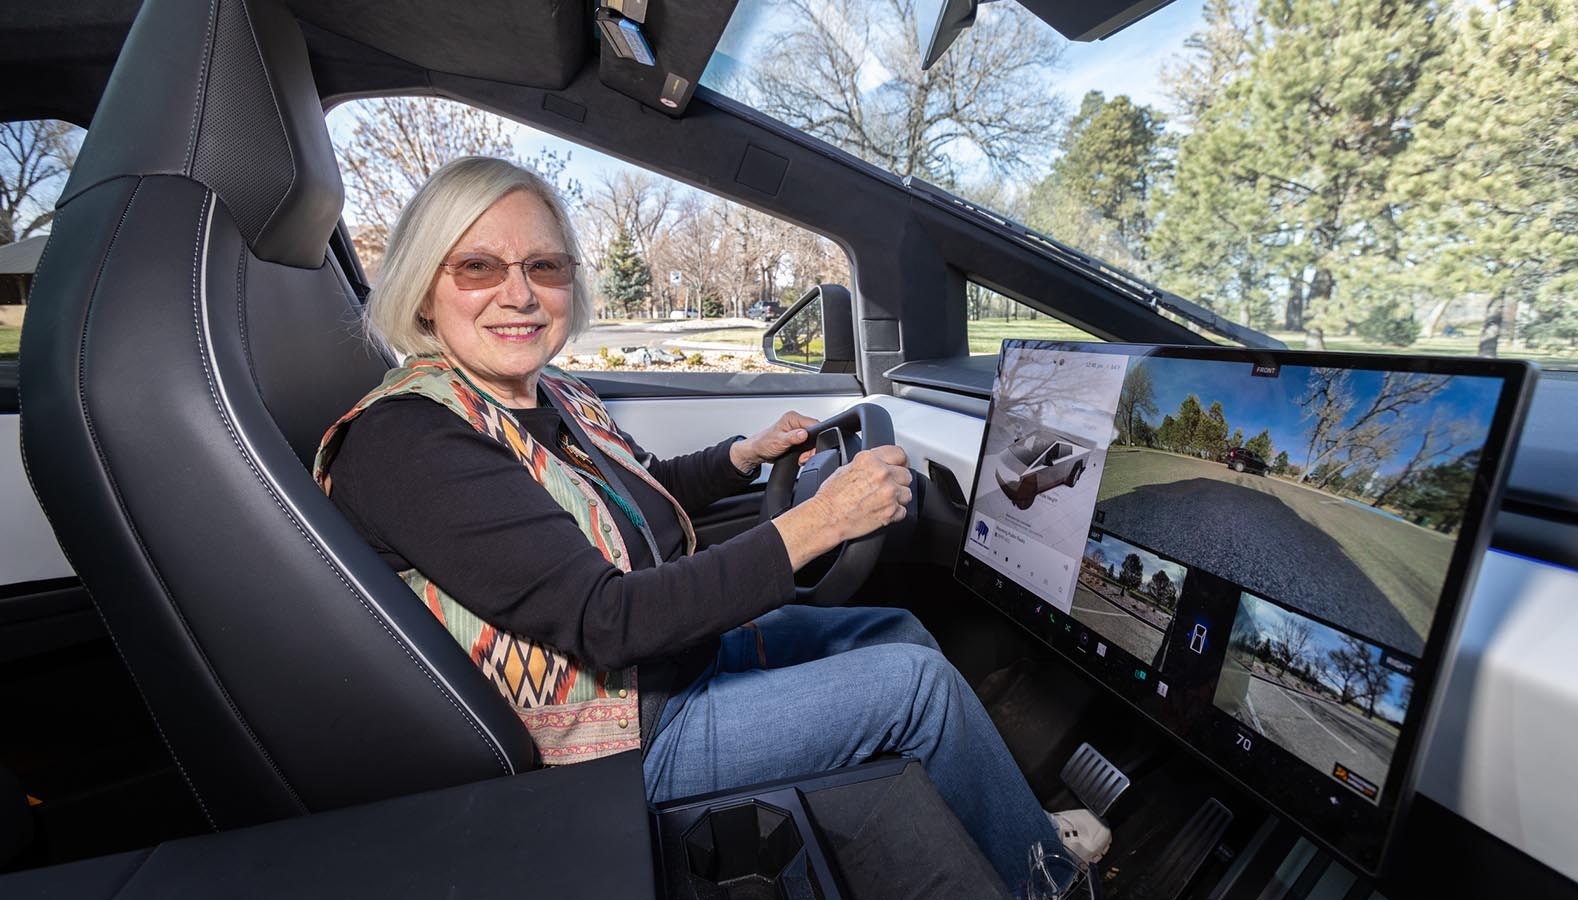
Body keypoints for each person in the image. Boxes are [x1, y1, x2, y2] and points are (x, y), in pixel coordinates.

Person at [314, 156, 1067, 891]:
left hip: (671, 667)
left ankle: (990, 826)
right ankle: (1050, 880)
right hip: (620, 741)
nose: (519, 294)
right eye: (477, 268)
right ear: (422, 290)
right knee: (917, 688)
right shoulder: (410, 441)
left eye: (544, 267)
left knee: (895, 628)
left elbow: (637, 493)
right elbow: (608, 618)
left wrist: (743, 455)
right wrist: (820, 521)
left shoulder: (549, 397)